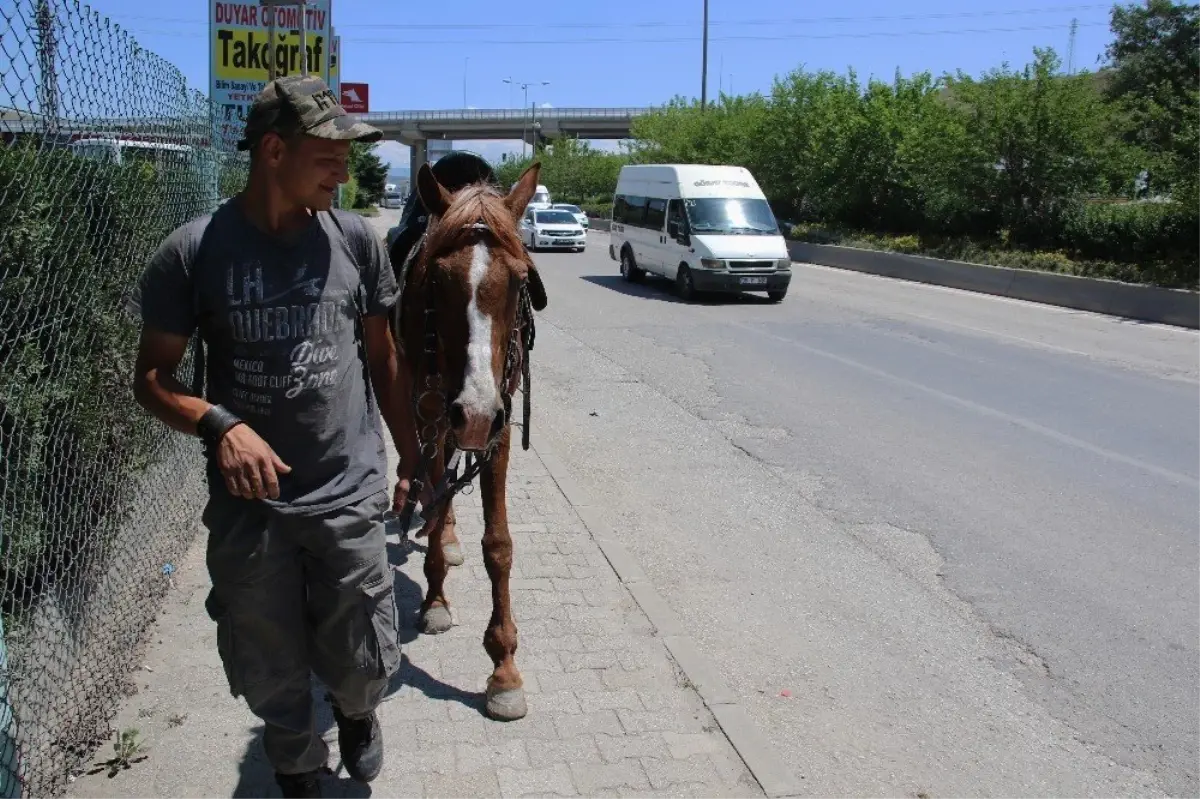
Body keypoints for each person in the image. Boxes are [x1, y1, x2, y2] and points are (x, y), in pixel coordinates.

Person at [130, 75, 417, 798]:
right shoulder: (194, 253)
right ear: (273, 150)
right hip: (249, 506)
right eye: (329, 155)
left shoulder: (356, 240)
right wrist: (219, 423)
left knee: (362, 658)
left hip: (347, 491)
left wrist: (415, 456)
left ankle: (356, 713)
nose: (345, 171)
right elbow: (153, 379)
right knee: (270, 658)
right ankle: (296, 765)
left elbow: (383, 359)